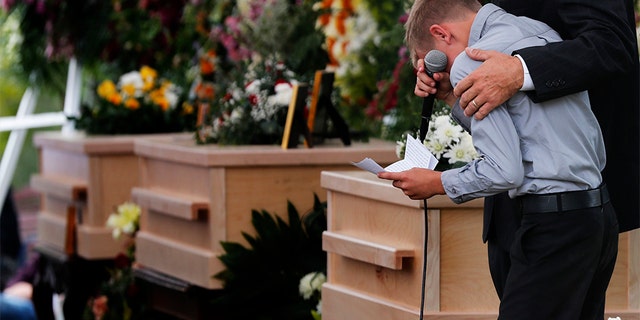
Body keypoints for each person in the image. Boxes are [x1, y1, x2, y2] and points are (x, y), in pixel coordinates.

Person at [378, 0, 619, 319]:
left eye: (437, 62)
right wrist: (452, 95)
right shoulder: (537, 32)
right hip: (598, 218)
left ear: (441, 34)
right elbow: (526, 127)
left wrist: (437, 183)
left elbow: (504, 171)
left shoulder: (469, 61)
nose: (445, 69)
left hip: (553, 227)